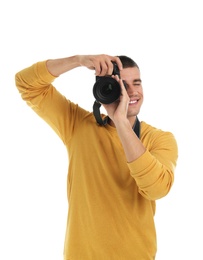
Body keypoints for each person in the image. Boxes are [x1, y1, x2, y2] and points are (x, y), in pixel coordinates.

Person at [15, 54, 178, 260]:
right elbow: (26, 83)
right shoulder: (77, 124)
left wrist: (120, 121)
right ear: (106, 90)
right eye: (122, 85)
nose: (132, 92)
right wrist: (78, 60)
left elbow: (157, 189)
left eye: (136, 83)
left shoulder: (159, 139)